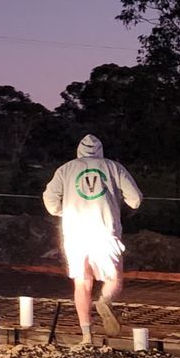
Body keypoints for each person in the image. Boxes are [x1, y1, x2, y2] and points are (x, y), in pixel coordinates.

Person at [41, 134, 142, 342]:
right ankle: (105, 300)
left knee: (82, 283)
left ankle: (87, 336)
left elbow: (50, 199)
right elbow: (136, 199)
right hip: (104, 231)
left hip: (75, 234)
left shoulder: (65, 169)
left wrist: (62, 211)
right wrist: (122, 206)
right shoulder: (114, 167)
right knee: (114, 279)